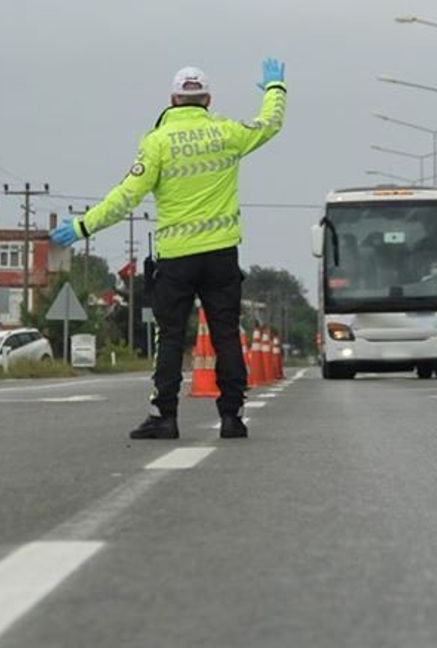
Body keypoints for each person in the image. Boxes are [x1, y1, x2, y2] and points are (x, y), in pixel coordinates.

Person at [51, 59, 287, 439]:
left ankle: (165, 416)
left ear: (173, 99)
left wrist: (83, 226)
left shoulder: (157, 142)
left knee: (170, 335)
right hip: (222, 254)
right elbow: (270, 124)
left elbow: (125, 196)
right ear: (207, 99)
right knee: (226, 333)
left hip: (176, 258)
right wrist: (275, 89)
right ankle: (232, 417)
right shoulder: (227, 133)